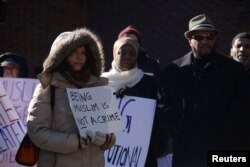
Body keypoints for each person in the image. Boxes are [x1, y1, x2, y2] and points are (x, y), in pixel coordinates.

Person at [160, 14, 250, 167]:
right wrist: (177, 129)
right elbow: (163, 105)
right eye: (199, 37)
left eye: (210, 36)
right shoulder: (173, 71)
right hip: (186, 154)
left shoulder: (234, 71)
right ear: (189, 39)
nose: (206, 41)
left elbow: (242, 111)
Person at [27, 28, 116, 167]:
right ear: (60, 56)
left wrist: (106, 139)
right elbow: (37, 132)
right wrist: (76, 142)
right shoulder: (47, 88)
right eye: (73, 52)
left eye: (83, 52)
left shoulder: (97, 88)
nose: (79, 57)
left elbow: (110, 132)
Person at [102, 36, 165, 167]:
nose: (127, 57)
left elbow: (158, 117)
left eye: (132, 53)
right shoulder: (101, 83)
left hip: (142, 158)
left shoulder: (150, 83)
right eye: (122, 52)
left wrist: (135, 97)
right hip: (109, 159)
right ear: (114, 54)